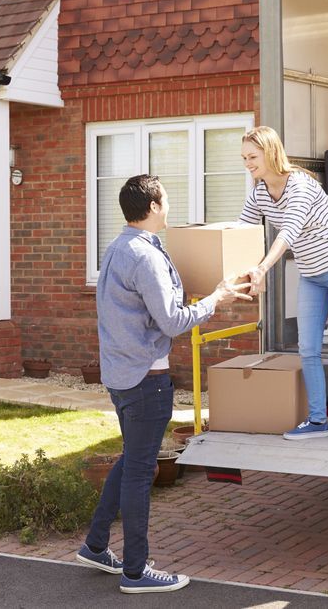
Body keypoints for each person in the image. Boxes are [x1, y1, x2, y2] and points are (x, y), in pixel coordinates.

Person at [76, 174, 252, 594]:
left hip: (121, 376)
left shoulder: (119, 248)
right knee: (140, 471)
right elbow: (172, 321)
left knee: (130, 460)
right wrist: (217, 299)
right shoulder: (145, 256)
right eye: (167, 200)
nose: (170, 207)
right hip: (145, 381)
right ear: (153, 206)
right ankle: (136, 572)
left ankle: (96, 546)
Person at [238, 126, 328, 444]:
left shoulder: (301, 186)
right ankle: (318, 419)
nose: (248, 163)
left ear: (270, 153)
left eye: (252, 157)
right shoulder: (260, 192)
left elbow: (288, 232)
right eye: (244, 158)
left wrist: (262, 268)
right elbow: (242, 230)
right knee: (307, 348)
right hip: (311, 274)